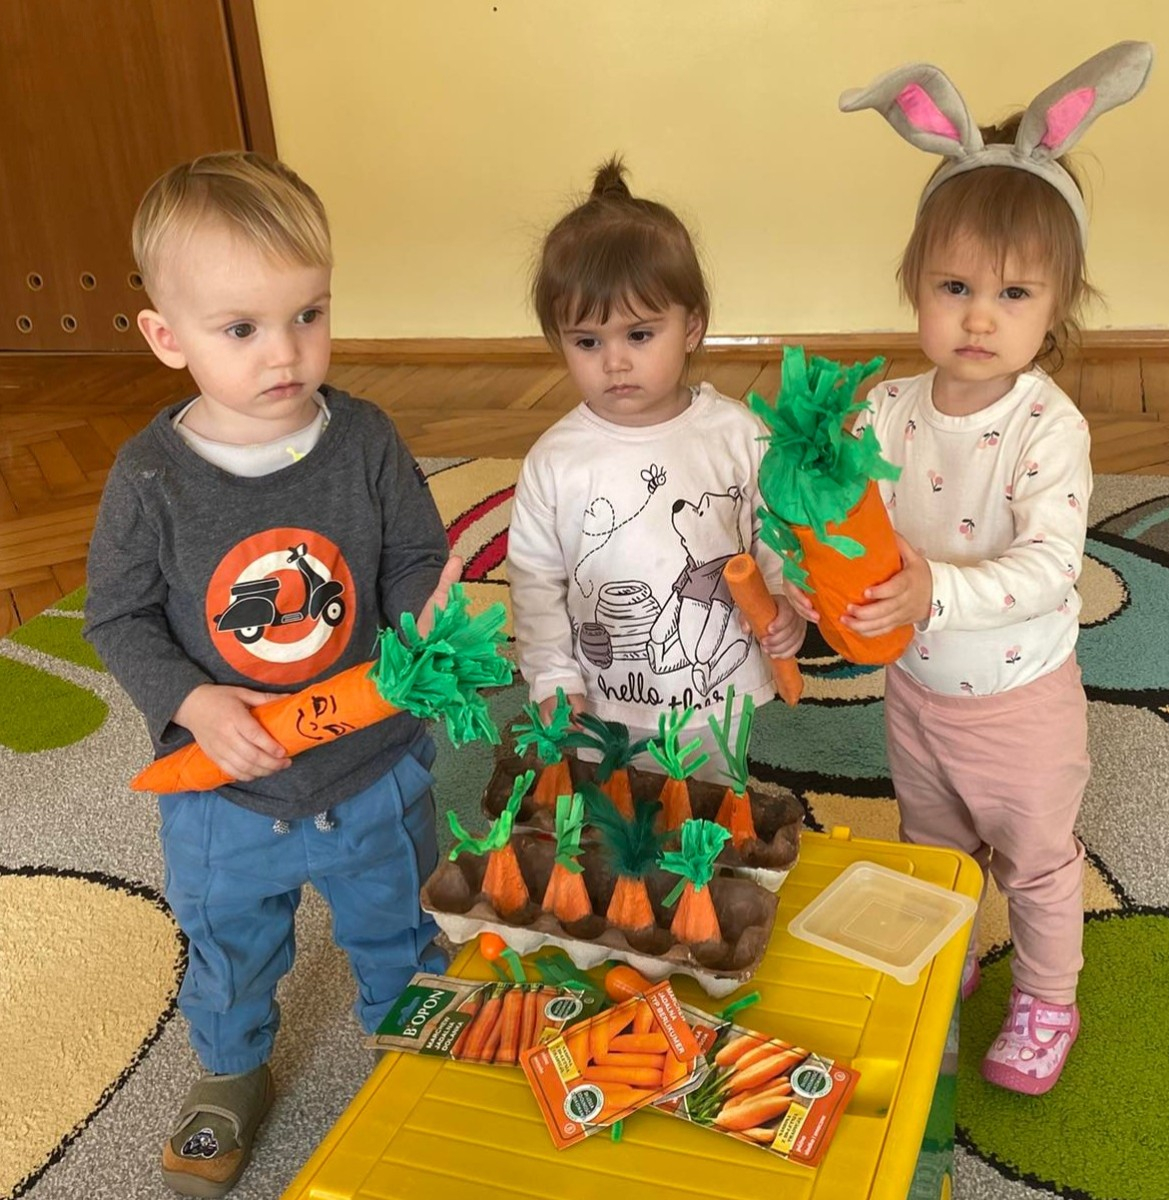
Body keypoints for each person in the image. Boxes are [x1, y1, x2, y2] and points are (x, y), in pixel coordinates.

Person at [84, 151, 460, 1195]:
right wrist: (193, 701)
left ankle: (412, 1050)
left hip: (371, 766)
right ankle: (230, 1068)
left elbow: (413, 554)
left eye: (308, 314)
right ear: (168, 337)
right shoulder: (150, 477)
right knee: (229, 944)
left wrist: (421, 613)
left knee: (400, 921)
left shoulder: (365, 438)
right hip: (227, 791)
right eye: (241, 329)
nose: (286, 352)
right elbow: (117, 616)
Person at [804, 43, 1153, 1093]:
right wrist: (794, 559)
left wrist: (935, 591)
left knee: (1036, 863)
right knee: (933, 844)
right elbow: (835, 515)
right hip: (915, 690)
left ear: (1057, 304)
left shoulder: (1048, 428)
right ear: (913, 284)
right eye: (952, 286)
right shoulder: (883, 410)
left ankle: (1046, 998)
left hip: (1018, 703)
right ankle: (948, 944)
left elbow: (1049, 568)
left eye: (1012, 292)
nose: (978, 316)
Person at [507, 158, 804, 779]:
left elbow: (773, 531)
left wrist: (782, 603)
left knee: (711, 815)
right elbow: (535, 581)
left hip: (715, 694)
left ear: (691, 327)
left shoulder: (739, 434)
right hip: (601, 702)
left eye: (639, 335)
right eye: (587, 342)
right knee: (612, 822)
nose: (614, 362)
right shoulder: (554, 461)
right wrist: (552, 674)